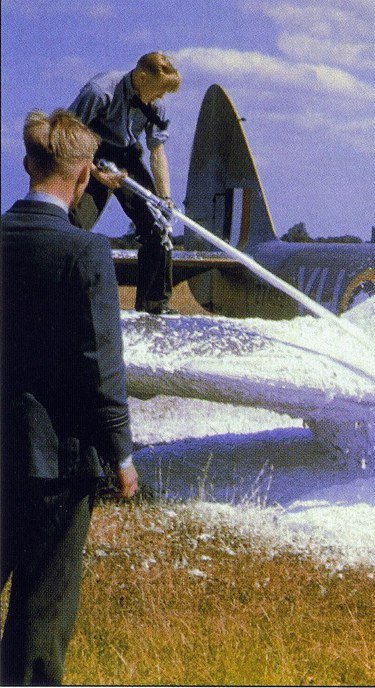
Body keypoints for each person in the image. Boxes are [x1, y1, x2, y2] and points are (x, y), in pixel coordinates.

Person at [1, 109, 139, 684]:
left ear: (26, 164)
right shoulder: (85, 252)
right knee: (41, 617)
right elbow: (100, 367)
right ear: (84, 176)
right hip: (57, 461)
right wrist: (121, 454)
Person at [69, 51, 181, 315]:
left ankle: (155, 307)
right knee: (73, 225)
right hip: (89, 154)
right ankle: (66, 304)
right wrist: (94, 172)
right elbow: (69, 137)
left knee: (159, 226)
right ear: (141, 78)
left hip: (127, 157)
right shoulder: (99, 92)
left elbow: (157, 151)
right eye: (160, 90)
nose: (162, 97)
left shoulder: (157, 104)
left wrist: (165, 199)